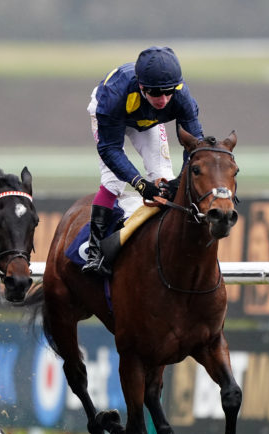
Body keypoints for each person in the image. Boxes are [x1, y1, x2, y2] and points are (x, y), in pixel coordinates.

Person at [82, 46, 204, 276]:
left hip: (147, 121)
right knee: (113, 183)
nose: (164, 100)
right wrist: (139, 184)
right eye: (157, 93)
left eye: (169, 92)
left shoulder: (181, 95)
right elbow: (110, 150)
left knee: (164, 179)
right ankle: (95, 252)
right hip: (111, 117)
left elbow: (195, 144)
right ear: (141, 86)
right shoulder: (114, 95)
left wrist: (179, 180)